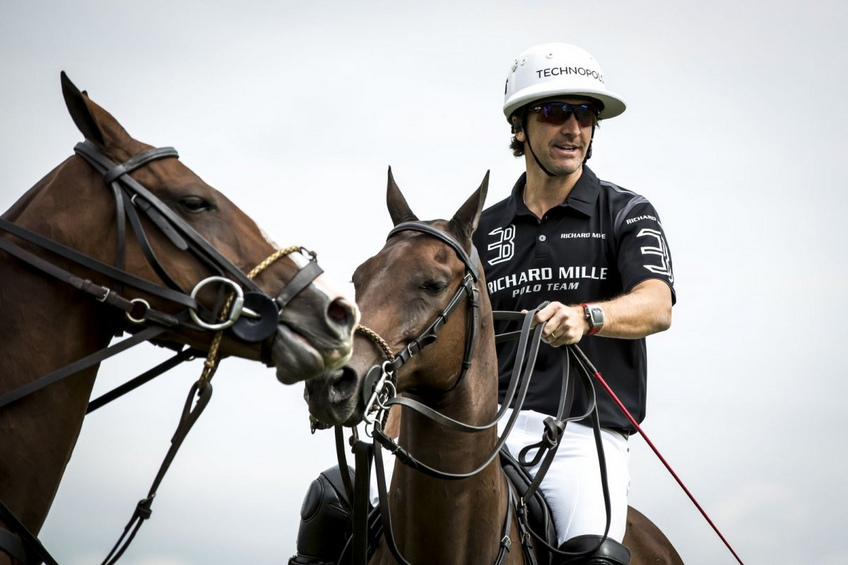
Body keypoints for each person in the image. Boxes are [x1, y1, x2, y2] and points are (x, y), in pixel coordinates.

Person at [471, 42, 675, 564]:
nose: (574, 129)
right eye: (555, 112)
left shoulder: (626, 211)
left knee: (592, 559)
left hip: (583, 437)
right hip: (481, 427)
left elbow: (656, 305)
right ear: (519, 126)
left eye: (586, 114)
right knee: (339, 506)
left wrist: (588, 317)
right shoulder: (482, 229)